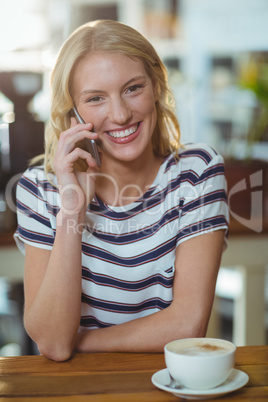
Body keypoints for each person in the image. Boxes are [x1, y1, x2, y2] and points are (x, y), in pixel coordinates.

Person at [15, 19, 229, 361]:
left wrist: (78, 342)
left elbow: (188, 325)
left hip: (165, 385)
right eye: (95, 98)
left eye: (133, 88)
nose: (120, 114)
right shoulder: (39, 190)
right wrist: (72, 210)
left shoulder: (197, 171)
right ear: (73, 112)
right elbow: (53, 343)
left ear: (156, 86)